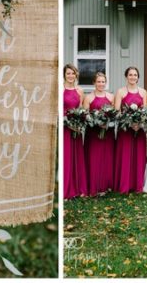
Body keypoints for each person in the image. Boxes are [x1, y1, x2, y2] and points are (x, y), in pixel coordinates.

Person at [113, 66, 147, 193]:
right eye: (130, 75)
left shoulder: (143, 92)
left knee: (139, 156)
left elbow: (145, 111)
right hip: (125, 130)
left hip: (139, 130)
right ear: (126, 76)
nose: (133, 77)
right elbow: (117, 111)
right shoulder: (121, 91)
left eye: (135, 75)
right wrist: (128, 122)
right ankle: (124, 185)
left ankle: (137, 185)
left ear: (138, 77)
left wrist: (139, 123)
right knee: (125, 156)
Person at [82, 72, 115, 196]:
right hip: (94, 133)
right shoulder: (88, 97)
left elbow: (115, 114)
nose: (101, 84)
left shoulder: (111, 97)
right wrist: (96, 122)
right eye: (98, 82)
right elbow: (85, 115)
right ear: (94, 83)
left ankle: (106, 186)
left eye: (103, 82)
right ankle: (94, 186)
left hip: (108, 132)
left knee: (107, 158)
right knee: (94, 158)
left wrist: (107, 122)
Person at [63, 64, 87, 199]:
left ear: (76, 75)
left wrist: (78, 121)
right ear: (64, 75)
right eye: (68, 73)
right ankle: (66, 188)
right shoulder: (60, 89)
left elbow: (81, 109)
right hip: (66, 128)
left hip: (76, 129)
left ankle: (78, 187)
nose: (71, 76)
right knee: (66, 157)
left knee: (76, 156)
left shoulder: (80, 91)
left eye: (73, 73)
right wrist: (66, 122)